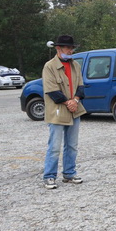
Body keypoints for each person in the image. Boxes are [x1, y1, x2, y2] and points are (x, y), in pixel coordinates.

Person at [42, 35, 87, 190]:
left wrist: (75, 100)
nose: (70, 50)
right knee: (54, 147)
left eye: (72, 48)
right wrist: (69, 102)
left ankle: (69, 173)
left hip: (74, 110)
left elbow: (81, 86)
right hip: (57, 111)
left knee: (72, 145)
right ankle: (49, 176)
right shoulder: (49, 66)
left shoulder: (76, 65)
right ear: (58, 48)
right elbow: (52, 91)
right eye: (68, 48)